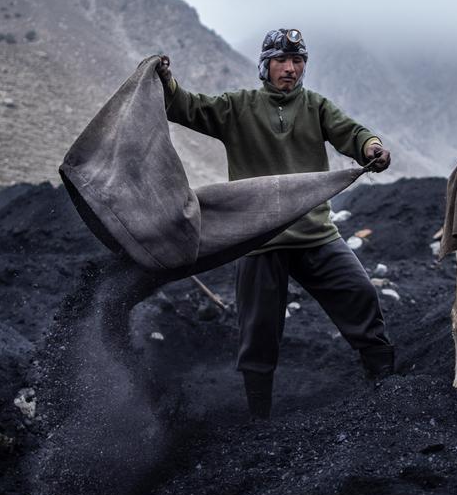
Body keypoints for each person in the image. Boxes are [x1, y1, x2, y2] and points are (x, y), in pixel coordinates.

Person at [156, 28, 396, 419]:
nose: (290, 69)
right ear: (264, 65)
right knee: (258, 332)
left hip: (314, 233)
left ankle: (387, 390)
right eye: (281, 61)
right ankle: (259, 420)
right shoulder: (238, 107)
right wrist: (166, 81)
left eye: (298, 61)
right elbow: (186, 106)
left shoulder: (316, 107)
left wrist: (370, 147)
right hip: (258, 238)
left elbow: (351, 133)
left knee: (360, 295)